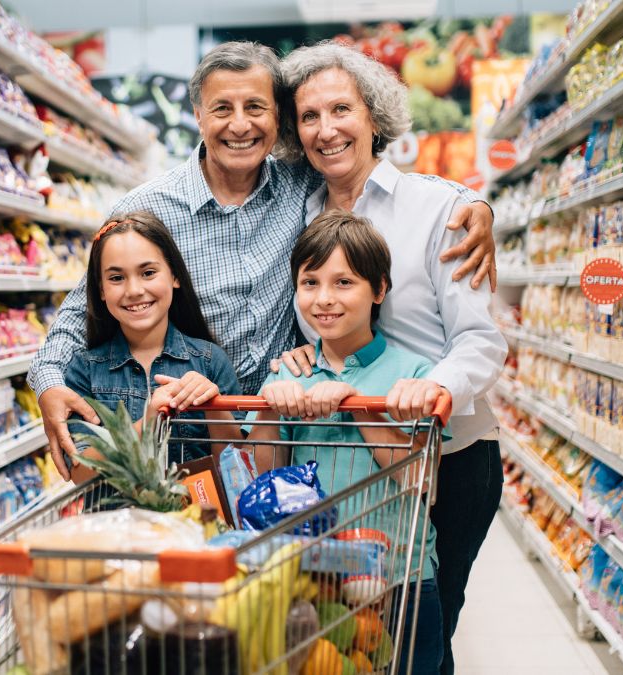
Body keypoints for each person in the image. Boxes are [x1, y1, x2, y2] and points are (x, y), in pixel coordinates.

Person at [30, 41, 498, 481]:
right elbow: (82, 307)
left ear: (276, 121)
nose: (240, 125)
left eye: (255, 107)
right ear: (198, 116)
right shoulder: (151, 208)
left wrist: (476, 205)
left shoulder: (302, 187)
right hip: (205, 435)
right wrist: (48, 381)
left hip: (335, 432)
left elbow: (376, 179)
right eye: (221, 109)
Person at [273, 42, 508, 675]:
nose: (326, 130)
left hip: (448, 460)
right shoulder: (296, 212)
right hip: (344, 462)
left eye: (341, 109)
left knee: (423, 631)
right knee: (348, 642)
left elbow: (482, 341)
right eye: (309, 116)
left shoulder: (440, 208)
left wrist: (425, 391)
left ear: (374, 116)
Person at [245, 211, 444, 674]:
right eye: (310, 283)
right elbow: (264, 475)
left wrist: (357, 404)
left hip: (403, 577)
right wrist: (270, 409)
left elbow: (422, 480)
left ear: (378, 290)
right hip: (317, 580)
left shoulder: (413, 374)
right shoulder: (290, 372)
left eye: (343, 283)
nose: (323, 299)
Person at [61, 212, 241, 480]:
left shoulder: (210, 361)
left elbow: (236, 468)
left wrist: (216, 406)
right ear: (100, 290)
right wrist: (146, 423)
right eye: (116, 278)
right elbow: (79, 472)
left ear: (174, 276)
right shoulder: (83, 370)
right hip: (120, 520)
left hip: (197, 517)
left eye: (148, 273)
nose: (134, 290)